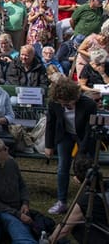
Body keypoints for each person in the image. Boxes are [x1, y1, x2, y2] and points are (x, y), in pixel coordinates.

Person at [45, 76, 97, 215]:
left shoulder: (89, 105)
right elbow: (50, 124)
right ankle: (61, 201)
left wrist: (81, 155)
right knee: (63, 166)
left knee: (86, 167)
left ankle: (88, 201)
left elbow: (89, 131)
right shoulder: (54, 103)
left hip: (84, 136)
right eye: (61, 103)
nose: (63, 106)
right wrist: (49, 145)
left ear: (75, 97)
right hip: (65, 135)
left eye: (67, 103)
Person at [0, 138, 36, 244]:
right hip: (0, 210)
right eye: (3, 149)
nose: (7, 149)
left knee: (25, 226)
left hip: (18, 207)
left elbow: (21, 185)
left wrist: (25, 203)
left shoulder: (11, 162)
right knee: (19, 228)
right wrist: (17, 214)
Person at [50, 156, 109, 243]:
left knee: (77, 226)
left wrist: (49, 239)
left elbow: (63, 229)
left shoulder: (85, 201)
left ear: (77, 179)